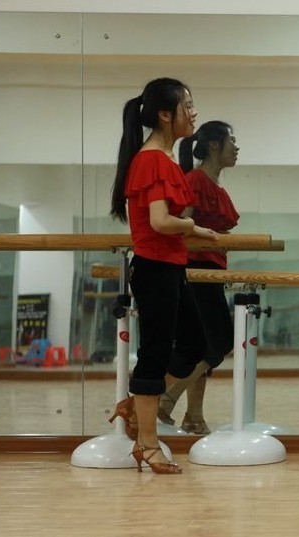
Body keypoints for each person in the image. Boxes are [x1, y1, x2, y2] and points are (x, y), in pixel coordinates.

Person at [108, 77, 216, 474]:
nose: (194, 112)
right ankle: (147, 444)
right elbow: (159, 222)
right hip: (155, 268)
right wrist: (196, 230)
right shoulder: (152, 158)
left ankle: (136, 405)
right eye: (187, 105)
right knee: (155, 355)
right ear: (165, 114)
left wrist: (190, 231)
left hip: (169, 266)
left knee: (195, 343)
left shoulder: (166, 157)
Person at [155, 120, 240, 434]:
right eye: (232, 140)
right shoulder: (194, 180)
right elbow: (181, 224)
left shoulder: (215, 185)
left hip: (212, 272)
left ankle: (194, 416)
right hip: (195, 271)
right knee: (218, 341)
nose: (237, 147)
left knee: (207, 345)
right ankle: (165, 400)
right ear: (215, 145)